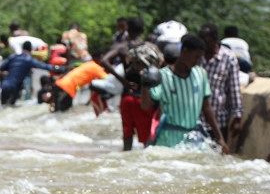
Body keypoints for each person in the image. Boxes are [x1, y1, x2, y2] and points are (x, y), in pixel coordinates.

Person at [142, 34, 228, 152]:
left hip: (194, 137)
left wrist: (220, 138)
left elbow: (206, 107)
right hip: (168, 138)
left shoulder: (201, 74)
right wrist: (145, 85)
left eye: (200, 58)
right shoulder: (163, 76)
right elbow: (146, 106)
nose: (197, 61)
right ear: (184, 51)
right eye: (196, 57)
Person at [99, 17, 162, 151]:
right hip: (144, 98)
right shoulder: (149, 47)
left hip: (127, 97)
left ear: (127, 29)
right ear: (143, 30)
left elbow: (104, 60)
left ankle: (125, 158)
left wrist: (123, 81)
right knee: (147, 139)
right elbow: (160, 64)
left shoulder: (122, 46)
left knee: (127, 134)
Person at [198, 24, 242, 142]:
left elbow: (234, 88)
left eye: (206, 41)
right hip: (196, 119)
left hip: (219, 119)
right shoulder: (197, 57)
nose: (203, 45)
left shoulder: (228, 58)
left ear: (215, 40)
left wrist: (237, 116)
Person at [39, 60, 108, 113]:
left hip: (59, 84)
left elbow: (92, 87)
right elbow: (109, 80)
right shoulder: (97, 68)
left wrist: (88, 103)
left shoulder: (88, 64)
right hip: (68, 88)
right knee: (64, 113)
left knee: (57, 112)